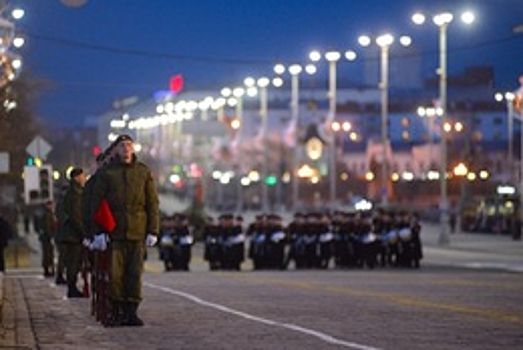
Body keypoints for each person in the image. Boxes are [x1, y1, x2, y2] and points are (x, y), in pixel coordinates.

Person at [89, 134, 159, 327]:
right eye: (122, 145)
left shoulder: (143, 172)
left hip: (137, 229)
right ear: (117, 150)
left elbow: (152, 202)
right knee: (116, 274)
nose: (126, 148)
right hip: (115, 231)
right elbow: (97, 203)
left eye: (129, 145)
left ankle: (131, 312)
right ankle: (116, 310)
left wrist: (153, 230)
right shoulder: (108, 173)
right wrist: (98, 231)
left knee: (134, 274)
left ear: (134, 148)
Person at [59, 167, 88, 297]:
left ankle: (72, 287)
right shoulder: (74, 194)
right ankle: (72, 288)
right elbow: (76, 216)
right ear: (76, 178)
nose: (84, 178)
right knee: (73, 262)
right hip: (73, 235)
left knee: (75, 262)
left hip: (73, 234)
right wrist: (84, 232)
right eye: (82, 176)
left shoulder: (77, 192)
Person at [37, 201, 57, 277]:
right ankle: (47, 270)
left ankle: (48, 269)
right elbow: (48, 226)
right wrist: (51, 235)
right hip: (47, 237)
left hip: (45, 237)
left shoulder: (47, 214)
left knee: (48, 254)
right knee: (48, 254)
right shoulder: (47, 214)